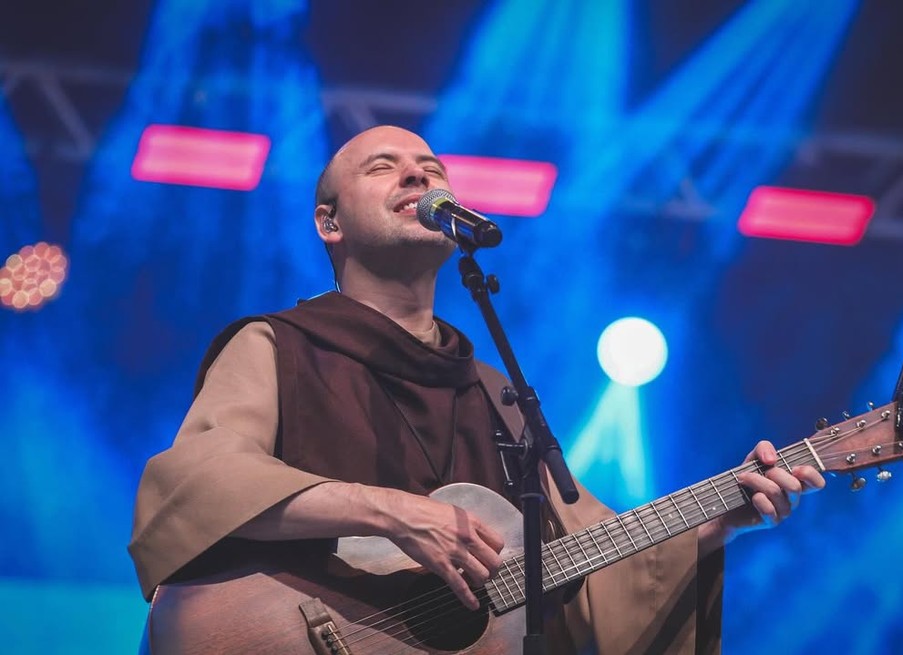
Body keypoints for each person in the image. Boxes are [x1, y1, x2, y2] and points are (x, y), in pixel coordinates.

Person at [128, 125, 825, 654]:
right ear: (329, 222)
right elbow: (201, 481)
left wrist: (711, 521)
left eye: (432, 170)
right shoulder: (278, 345)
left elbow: (595, 559)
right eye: (385, 168)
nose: (418, 177)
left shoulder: (497, 392)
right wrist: (392, 513)